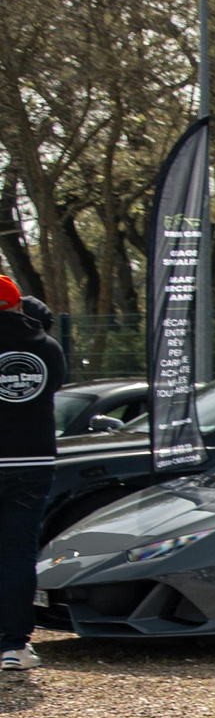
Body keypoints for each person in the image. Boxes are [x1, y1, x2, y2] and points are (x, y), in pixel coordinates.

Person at [0, 275, 66, 675]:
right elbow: (54, 387)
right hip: (32, 460)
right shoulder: (47, 347)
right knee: (18, 553)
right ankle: (14, 645)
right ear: (16, 304)